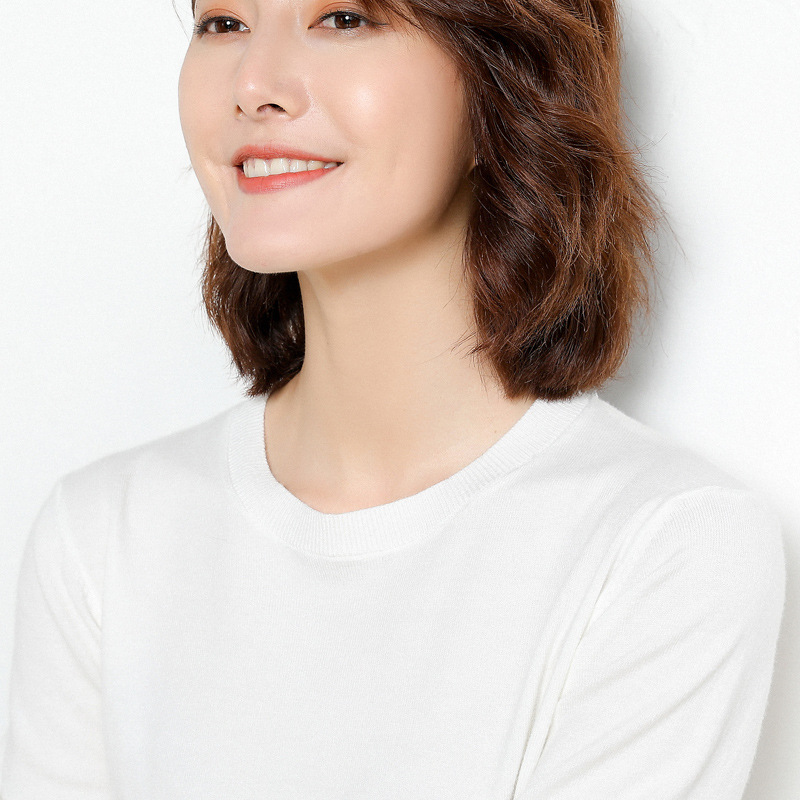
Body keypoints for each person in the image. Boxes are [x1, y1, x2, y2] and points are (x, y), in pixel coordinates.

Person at [0, 0, 785, 798]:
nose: (252, 85)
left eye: (344, 18)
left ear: (504, 79)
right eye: (223, 23)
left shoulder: (667, 545)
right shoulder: (101, 537)